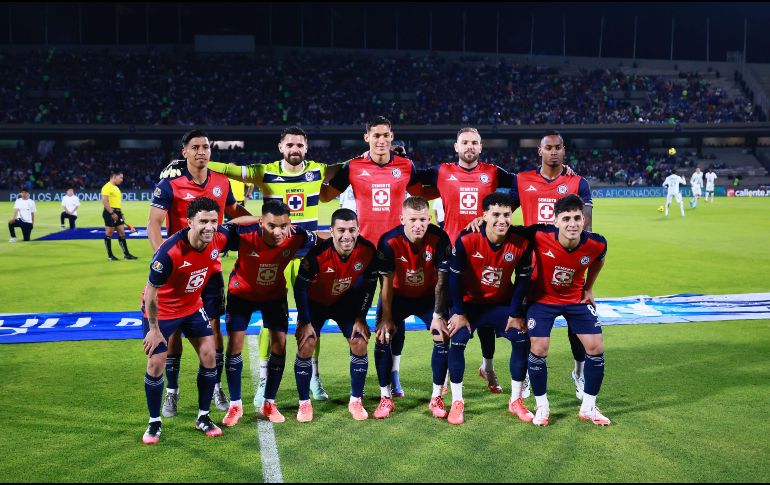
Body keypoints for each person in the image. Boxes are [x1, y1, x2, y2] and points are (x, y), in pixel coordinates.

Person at [148, 129, 249, 418]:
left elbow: (234, 212)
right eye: (195, 147)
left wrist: (264, 221)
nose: (201, 151)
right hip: (179, 272)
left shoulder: (221, 182)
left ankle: (216, 386)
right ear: (185, 152)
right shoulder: (170, 185)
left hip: (210, 270)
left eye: (205, 146)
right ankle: (172, 391)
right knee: (174, 332)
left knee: (214, 329)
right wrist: (164, 258)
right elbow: (154, 224)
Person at [418, 127, 519, 396]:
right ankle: (447, 372)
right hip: (452, 254)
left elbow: (521, 186)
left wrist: (494, 217)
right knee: (450, 315)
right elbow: (410, 177)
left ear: (481, 147)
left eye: (474, 142)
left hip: (485, 254)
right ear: (456, 147)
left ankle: (488, 367)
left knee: (485, 316)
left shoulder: (493, 172)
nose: (470, 146)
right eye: (465, 142)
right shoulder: (442, 171)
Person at [140, 196, 239, 444]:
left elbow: (239, 223)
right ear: (190, 222)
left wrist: (260, 219)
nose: (209, 227)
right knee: (156, 363)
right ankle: (154, 422)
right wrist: (153, 329)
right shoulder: (169, 252)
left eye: (213, 221)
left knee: (209, 355)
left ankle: (203, 417)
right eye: (203, 221)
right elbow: (151, 293)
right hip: (162, 311)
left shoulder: (218, 238)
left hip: (193, 306)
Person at [509, 131, 593, 401]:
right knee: (526, 329)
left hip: (568, 270)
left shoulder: (578, 182)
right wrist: (481, 220)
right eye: (549, 147)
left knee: (576, 327)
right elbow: (503, 211)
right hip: (532, 270)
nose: (554, 151)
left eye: (558, 147)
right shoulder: (522, 180)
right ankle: (524, 377)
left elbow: (587, 228)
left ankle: (579, 372)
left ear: (564, 150)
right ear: (540, 151)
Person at [220, 200, 319, 426]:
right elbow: (225, 227)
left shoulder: (298, 236)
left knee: (280, 345)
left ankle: (269, 403)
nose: (278, 232)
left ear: (290, 224)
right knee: (234, 345)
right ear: (261, 222)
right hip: (241, 294)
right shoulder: (243, 234)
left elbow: (321, 241)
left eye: (283, 226)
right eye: (271, 226)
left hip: (274, 296)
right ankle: (235, 405)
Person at [515, 195, 610, 426]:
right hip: (542, 300)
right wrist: (481, 221)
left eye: (577, 218)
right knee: (539, 347)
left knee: (596, 346)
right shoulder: (539, 234)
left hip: (575, 299)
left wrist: (589, 288)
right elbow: (507, 231)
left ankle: (588, 407)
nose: (572, 224)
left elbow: (599, 259)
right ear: (555, 221)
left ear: (584, 220)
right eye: (566, 219)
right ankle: (542, 406)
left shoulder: (596, 243)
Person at [446, 192, 534, 425]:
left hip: (500, 304)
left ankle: (516, 400)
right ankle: (457, 401)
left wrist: (515, 313)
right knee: (457, 339)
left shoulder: (522, 241)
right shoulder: (467, 238)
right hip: (469, 304)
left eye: (506, 215)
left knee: (521, 338)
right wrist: (458, 312)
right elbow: (454, 279)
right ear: (484, 216)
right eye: (495, 215)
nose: (502, 220)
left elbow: (522, 280)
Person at [293, 208, 383, 421]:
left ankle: (355, 401)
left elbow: (370, 284)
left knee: (359, 340)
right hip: (315, 305)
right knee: (306, 343)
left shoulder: (367, 250)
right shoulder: (317, 255)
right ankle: (304, 403)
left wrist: (361, 317)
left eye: (352, 230)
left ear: (358, 230)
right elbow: (300, 287)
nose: (347, 236)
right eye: (341, 230)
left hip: (345, 302)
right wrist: (305, 321)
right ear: (331, 231)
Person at [375, 196, 452, 418]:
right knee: (383, 336)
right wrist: (387, 318)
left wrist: (437, 315)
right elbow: (386, 284)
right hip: (398, 296)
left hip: (429, 297)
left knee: (442, 335)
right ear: (402, 219)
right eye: (412, 220)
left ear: (429, 219)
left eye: (422, 220)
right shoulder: (388, 241)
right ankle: (385, 397)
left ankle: (436, 397)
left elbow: (442, 281)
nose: (418, 225)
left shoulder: (440, 238)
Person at [322, 115, 426, 245]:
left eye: (385, 135)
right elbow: (326, 196)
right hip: (365, 246)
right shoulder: (353, 167)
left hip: (397, 245)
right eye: (376, 136)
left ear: (391, 136)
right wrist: (304, 178)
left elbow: (420, 194)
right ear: (367, 137)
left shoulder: (406, 165)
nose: (382, 141)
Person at [101, 171, 138, 260]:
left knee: (122, 233)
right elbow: (105, 201)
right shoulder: (107, 187)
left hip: (117, 212)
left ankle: (127, 254)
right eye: (120, 177)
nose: (121, 180)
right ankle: (110, 256)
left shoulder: (116, 188)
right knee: (109, 233)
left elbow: (117, 203)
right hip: (110, 212)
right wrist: (112, 213)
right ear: (114, 177)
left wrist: (121, 213)